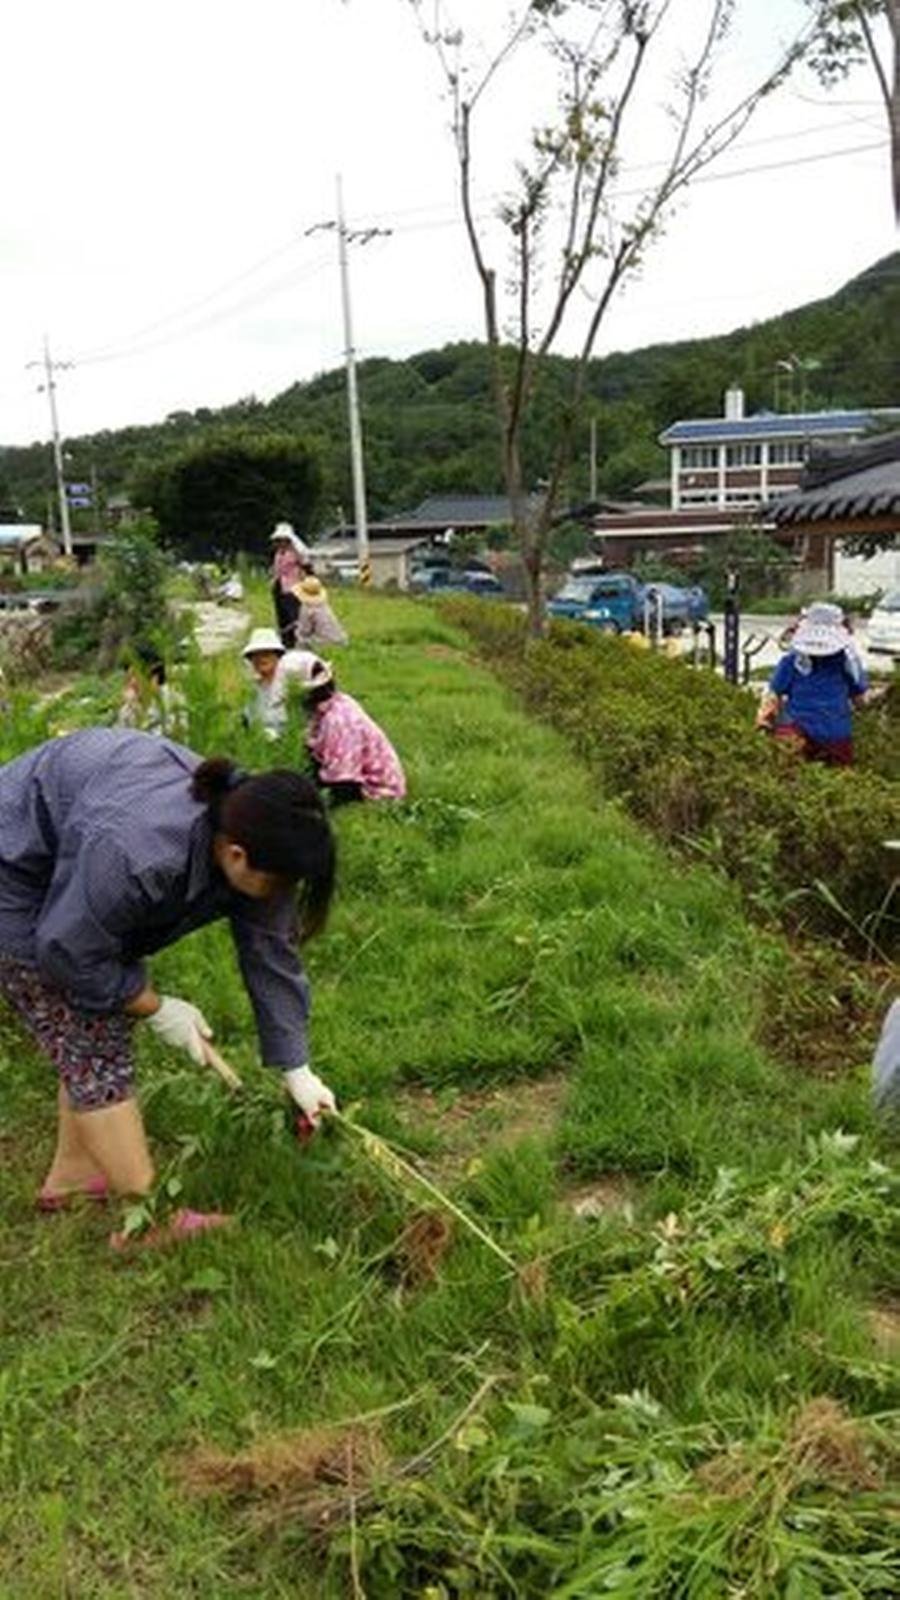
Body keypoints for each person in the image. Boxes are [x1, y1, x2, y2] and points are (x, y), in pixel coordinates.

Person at [0, 728, 337, 1248]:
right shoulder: (139, 849)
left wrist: (298, 1069)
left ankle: (71, 1178)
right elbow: (68, 952)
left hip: (74, 855)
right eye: (281, 886)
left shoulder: (251, 832)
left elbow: (272, 954)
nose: (283, 898)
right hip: (13, 870)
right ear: (237, 856)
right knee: (93, 1036)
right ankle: (146, 1220)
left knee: (94, 1020)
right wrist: (154, 1005)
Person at [755, 601, 869, 766]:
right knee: (838, 779)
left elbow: (773, 696)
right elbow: (860, 700)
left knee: (790, 774)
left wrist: (763, 723)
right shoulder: (849, 663)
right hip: (836, 736)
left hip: (796, 734)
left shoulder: (792, 661)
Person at [295, 656, 406, 804]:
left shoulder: (338, 720)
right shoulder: (331, 704)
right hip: (349, 775)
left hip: (376, 791)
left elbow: (344, 779)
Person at [241, 627, 327, 740]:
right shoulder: (253, 689)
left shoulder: (292, 682)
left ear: (277, 656)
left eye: (266, 654)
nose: (261, 659)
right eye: (255, 655)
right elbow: (249, 723)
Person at [117, 657, 189, 740]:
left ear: (155, 679)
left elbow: (166, 739)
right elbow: (121, 738)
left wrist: (138, 712)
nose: (132, 683)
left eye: (136, 677)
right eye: (129, 678)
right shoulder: (129, 705)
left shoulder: (172, 699)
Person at [270, 522, 312, 648]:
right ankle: (286, 642)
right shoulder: (278, 554)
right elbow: (277, 570)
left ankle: (299, 640)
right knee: (282, 616)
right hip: (279, 587)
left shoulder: (295, 553)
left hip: (293, 588)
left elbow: (306, 561)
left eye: (283, 540)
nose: (280, 543)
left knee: (295, 616)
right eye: (278, 540)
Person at [293, 575, 349, 648]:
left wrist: (296, 630)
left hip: (325, 643)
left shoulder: (306, 608)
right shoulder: (323, 604)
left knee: (300, 638)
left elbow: (305, 631)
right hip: (341, 640)